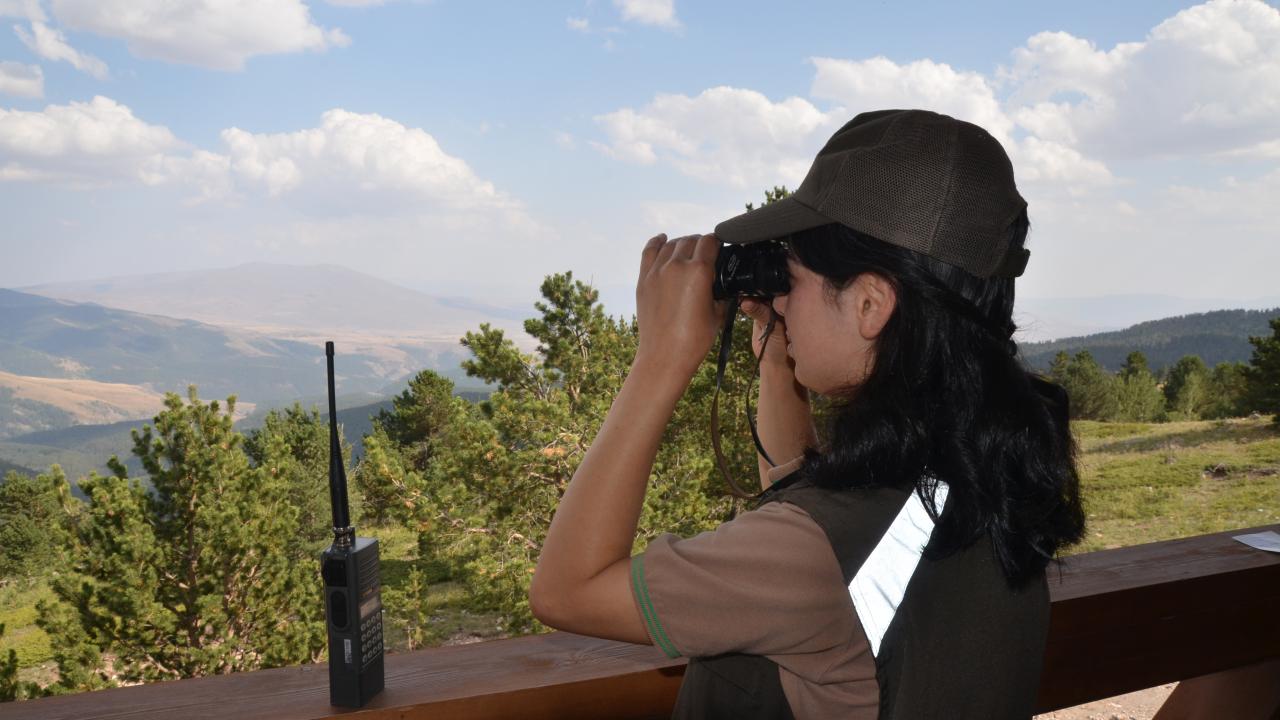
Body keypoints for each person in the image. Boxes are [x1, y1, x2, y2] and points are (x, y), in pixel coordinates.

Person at [529, 109, 1086, 719]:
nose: (781, 298)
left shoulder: (813, 554)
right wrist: (778, 358)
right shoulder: (981, 469)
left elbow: (568, 591)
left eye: (791, 277)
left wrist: (660, 359)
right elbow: (823, 510)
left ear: (870, 304)